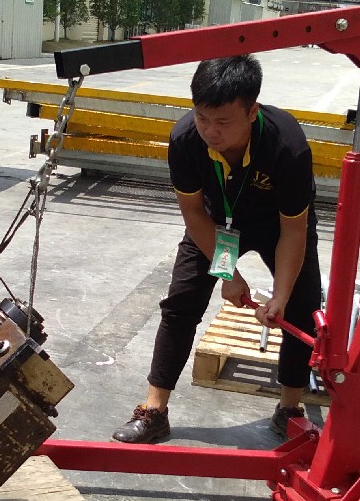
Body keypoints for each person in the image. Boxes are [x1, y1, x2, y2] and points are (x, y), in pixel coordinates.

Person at [114, 55, 322, 444]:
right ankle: (154, 410)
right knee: (181, 303)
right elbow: (193, 212)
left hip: (278, 225)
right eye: (202, 117)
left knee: (301, 307)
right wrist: (228, 272)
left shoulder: (287, 145)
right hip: (215, 222)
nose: (210, 131)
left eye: (223, 122)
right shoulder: (184, 139)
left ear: (252, 112)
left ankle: (289, 409)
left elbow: (294, 229)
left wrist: (279, 297)